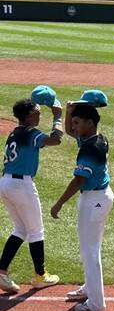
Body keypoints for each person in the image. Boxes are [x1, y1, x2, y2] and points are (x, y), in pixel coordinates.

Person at [51, 93, 114, 311]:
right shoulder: (95, 137)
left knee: (90, 251)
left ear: (90, 122)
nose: (73, 127)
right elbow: (70, 131)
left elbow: (79, 180)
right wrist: (70, 111)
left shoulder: (90, 148)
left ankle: (96, 303)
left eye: (78, 122)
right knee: (89, 248)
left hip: (94, 199)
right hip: (98, 197)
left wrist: (58, 203)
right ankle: (89, 288)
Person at [0, 97, 63, 293]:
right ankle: (40, 275)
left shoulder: (15, 133)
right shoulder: (31, 132)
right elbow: (55, 140)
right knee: (36, 231)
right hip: (21, 185)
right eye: (37, 111)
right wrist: (58, 117)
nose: (39, 113)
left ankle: (1, 271)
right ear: (28, 116)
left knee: (21, 229)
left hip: (6, 183)